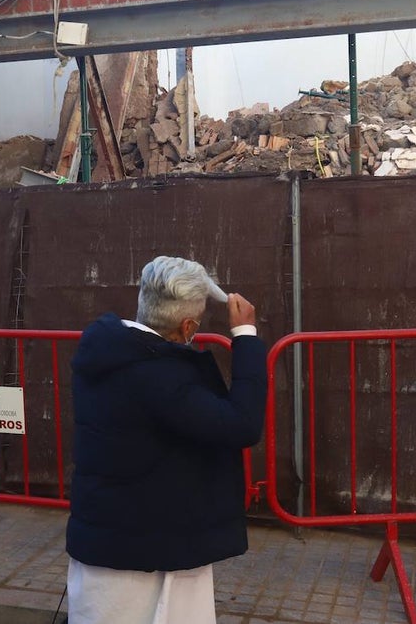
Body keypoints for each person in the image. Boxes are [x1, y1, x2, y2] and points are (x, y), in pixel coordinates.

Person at [65, 255, 268, 624]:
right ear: (187, 326)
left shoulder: (105, 350)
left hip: (106, 540)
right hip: (142, 556)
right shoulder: (161, 378)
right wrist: (246, 337)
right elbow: (242, 424)